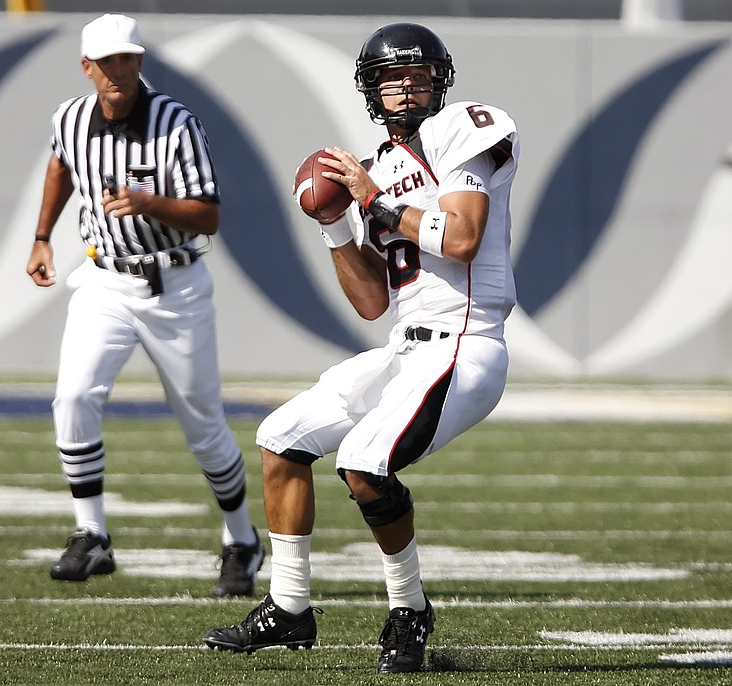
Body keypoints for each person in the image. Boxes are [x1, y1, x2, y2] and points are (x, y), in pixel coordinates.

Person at [203, 22, 519, 673]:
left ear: (441, 81)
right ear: (372, 90)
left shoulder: (463, 127)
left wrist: (373, 202)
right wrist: (335, 224)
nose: (408, 88)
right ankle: (290, 609)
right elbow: (372, 301)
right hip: (406, 347)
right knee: (282, 436)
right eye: (393, 78)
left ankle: (409, 610)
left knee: (364, 461)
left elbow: (460, 239)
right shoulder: (376, 168)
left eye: (420, 75)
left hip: (465, 344)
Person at [25, 13, 264, 597]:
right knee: (75, 395)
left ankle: (241, 540)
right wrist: (41, 236)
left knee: (203, 425)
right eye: (107, 63)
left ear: (140, 61)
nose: (119, 72)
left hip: (175, 284)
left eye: (127, 59)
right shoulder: (70, 117)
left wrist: (148, 202)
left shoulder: (176, 121)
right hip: (105, 279)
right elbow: (61, 161)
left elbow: (208, 214)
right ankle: (92, 535)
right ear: (88, 67)